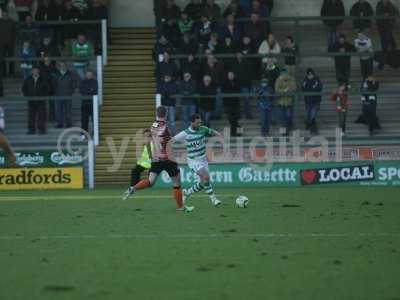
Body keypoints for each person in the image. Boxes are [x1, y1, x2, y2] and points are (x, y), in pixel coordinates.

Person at [122, 106, 194, 213]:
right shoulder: (166, 127)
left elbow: (147, 142)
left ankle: (133, 188)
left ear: (156, 113)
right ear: (166, 114)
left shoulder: (153, 126)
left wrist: (151, 156)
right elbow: (168, 143)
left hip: (156, 159)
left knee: (150, 182)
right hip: (168, 159)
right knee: (176, 183)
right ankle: (180, 207)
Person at [172, 113, 222, 207]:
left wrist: (219, 135)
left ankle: (187, 193)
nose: (199, 124)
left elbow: (212, 131)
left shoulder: (203, 129)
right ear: (191, 123)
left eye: (200, 122)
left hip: (203, 159)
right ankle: (213, 199)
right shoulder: (185, 133)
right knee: (206, 177)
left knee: (204, 182)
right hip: (193, 161)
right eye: (197, 123)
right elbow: (172, 140)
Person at [22, 66, 50, 134]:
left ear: (38, 71)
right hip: (31, 101)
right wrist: (27, 96)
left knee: (42, 116)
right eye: (34, 70)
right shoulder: (28, 79)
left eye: (36, 70)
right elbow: (24, 88)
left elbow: (47, 89)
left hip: (41, 101)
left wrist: (43, 96)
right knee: (31, 116)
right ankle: (31, 129)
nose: (35, 72)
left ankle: (41, 129)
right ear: (32, 71)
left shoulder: (43, 79)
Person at [53, 61, 78, 128]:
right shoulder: (56, 74)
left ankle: (68, 123)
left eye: (64, 65)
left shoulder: (71, 74)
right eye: (61, 66)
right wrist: (55, 92)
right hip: (58, 95)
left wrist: (71, 91)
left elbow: (74, 83)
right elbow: (53, 84)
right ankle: (59, 124)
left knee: (68, 110)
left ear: (66, 66)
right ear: (59, 67)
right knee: (58, 110)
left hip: (68, 95)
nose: (63, 67)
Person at [232, 52, 255, 119]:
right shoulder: (234, 64)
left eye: (240, 54)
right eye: (237, 54)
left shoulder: (247, 63)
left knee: (246, 100)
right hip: (236, 85)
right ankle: (238, 115)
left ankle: (248, 115)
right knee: (236, 101)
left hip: (245, 85)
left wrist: (249, 85)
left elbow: (249, 75)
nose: (239, 55)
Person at [302, 68, 323, 134]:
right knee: (309, 115)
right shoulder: (305, 81)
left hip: (315, 101)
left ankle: (313, 129)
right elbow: (303, 88)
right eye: (309, 74)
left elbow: (319, 88)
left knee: (312, 115)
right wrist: (312, 88)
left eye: (311, 74)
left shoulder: (317, 80)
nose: (310, 75)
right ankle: (309, 124)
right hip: (308, 101)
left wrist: (312, 89)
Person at [275, 69, 296, 134]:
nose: (283, 76)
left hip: (289, 102)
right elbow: (277, 90)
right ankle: (284, 132)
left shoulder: (291, 79)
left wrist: (287, 90)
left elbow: (294, 88)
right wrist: (284, 90)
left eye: (284, 74)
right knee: (282, 118)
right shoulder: (278, 80)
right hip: (281, 102)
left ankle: (288, 128)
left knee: (288, 116)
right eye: (282, 74)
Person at [79, 70, 98, 140]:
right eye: (88, 74)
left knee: (94, 120)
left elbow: (95, 90)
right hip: (84, 104)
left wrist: (88, 91)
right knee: (84, 120)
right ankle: (83, 134)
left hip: (93, 104)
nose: (89, 75)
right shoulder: (82, 82)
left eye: (90, 74)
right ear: (85, 74)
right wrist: (90, 90)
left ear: (92, 75)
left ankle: (95, 134)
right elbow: (81, 90)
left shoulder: (95, 82)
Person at [222, 71, 241, 136]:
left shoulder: (237, 82)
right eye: (229, 75)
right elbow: (224, 91)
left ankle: (234, 132)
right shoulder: (224, 82)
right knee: (231, 118)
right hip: (228, 103)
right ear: (227, 76)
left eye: (232, 75)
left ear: (234, 75)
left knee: (235, 118)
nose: (231, 76)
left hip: (236, 103)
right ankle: (235, 132)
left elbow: (238, 90)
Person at [0, 10, 16, 77]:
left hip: (10, 43)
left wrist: (13, 41)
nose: (4, 16)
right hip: (1, 43)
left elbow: (14, 32)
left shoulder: (12, 21)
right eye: (3, 15)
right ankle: (3, 73)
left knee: (11, 58)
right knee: (1, 59)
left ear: (8, 14)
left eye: (5, 14)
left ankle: (11, 73)